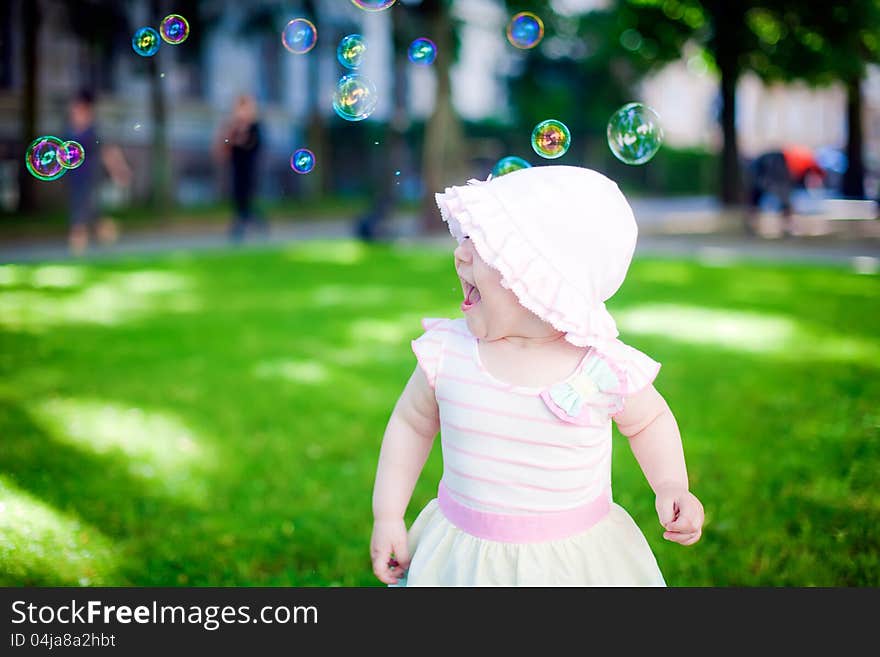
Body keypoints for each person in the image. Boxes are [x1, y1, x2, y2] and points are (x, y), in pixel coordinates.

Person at [369, 165, 704, 586]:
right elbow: (411, 422)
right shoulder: (448, 352)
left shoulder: (602, 365)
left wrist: (672, 484)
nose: (460, 253)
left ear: (538, 278)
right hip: (464, 557)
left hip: (571, 563)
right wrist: (388, 514)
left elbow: (650, 420)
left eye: (481, 244)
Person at [67, 89, 132, 255]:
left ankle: (77, 251)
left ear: (86, 108)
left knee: (80, 215)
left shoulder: (94, 130)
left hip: (90, 178)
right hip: (76, 179)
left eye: (77, 106)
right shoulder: (71, 128)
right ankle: (109, 234)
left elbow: (108, 151)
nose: (73, 109)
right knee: (93, 215)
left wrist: (120, 170)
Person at [214, 94, 267, 243]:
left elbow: (255, 145)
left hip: (250, 167)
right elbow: (225, 144)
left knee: (247, 196)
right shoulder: (233, 126)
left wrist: (243, 138)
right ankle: (246, 223)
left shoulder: (254, 126)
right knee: (238, 196)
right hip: (237, 167)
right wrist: (232, 136)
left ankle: (241, 226)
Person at [745, 145, 826, 237]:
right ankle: (789, 225)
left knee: (760, 189)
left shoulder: (808, 163)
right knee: (782, 192)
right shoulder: (812, 165)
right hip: (779, 160)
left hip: (773, 159)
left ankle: (751, 222)